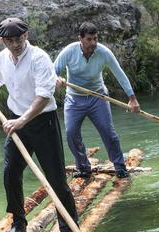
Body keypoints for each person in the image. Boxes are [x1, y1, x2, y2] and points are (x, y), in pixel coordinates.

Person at [0, 18, 79, 232]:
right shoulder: (2, 58)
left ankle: (70, 230)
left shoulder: (39, 58)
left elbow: (44, 97)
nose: (16, 44)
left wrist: (22, 120)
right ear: (3, 41)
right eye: (10, 40)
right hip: (16, 122)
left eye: (19, 39)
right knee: (11, 171)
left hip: (42, 122)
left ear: (26, 36)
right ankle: (19, 223)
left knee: (56, 179)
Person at [54, 22, 140, 179]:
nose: (93, 43)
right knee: (71, 133)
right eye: (89, 39)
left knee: (108, 132)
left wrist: (132, 99)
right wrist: (56, 79)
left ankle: (120, 167)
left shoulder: (104, 52)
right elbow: (52, 72)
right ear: (80, 38)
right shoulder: (69, 51)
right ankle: (83, 167)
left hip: (98, 97)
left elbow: (119, 74)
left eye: (95, 39)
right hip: (74, 99)